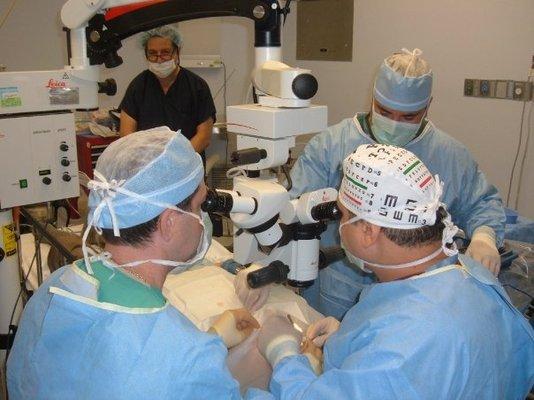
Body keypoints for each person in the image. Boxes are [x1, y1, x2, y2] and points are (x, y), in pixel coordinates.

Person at [240, 47, 505, 319]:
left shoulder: (449, 156)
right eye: (385, 112)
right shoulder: (333, 146)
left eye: (408, 117)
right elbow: (292, 211)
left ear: (428, 106)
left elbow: (481, 202)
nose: (394, 124)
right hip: (341, 288)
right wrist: (267, 262)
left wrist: (485, 237)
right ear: (373, 99)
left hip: (421, 296)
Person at [255, 144, 534, 400]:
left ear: (368, 231)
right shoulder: (471, 276)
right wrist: (353, 338)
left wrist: (284, 354)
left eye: (342, 215)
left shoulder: (401, 349)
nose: (339, 228)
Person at [7, 127, 263, 399]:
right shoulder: (188, 363)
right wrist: (292, 362)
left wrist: (211, 341)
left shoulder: (54, 288)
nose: (203, 219)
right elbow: (165, 370)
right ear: (169, 222)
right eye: (200, 206)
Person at [119, 25, 215, 159]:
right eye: (152, 54)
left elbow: (204, 136)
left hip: (186, 165)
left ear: (177, 52)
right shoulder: (139, 86)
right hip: (147, 164)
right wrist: (146, 160)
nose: (159, 59)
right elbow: (126, 133)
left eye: (165, 52)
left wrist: (176, 161)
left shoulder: (197, 86)